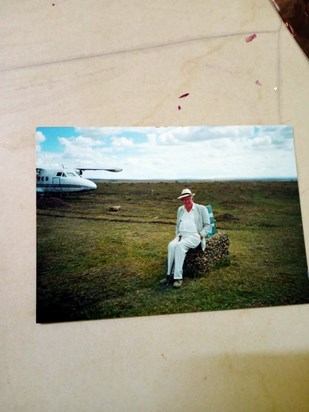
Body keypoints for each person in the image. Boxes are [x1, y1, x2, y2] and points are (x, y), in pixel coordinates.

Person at [160, 188, 211, 288]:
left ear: (192, 197)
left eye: (188, 198)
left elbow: (207, 226)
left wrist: (200, 236)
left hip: (194, 236)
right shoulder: (180, 209)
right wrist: (178, 236)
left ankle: (178, 278)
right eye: (184, 199)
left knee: (180, 246)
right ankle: (169, 275)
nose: (186, 201)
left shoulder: (201, 209)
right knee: (171, 245)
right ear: (182, 200)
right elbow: (178, 225)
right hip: (181, 236)